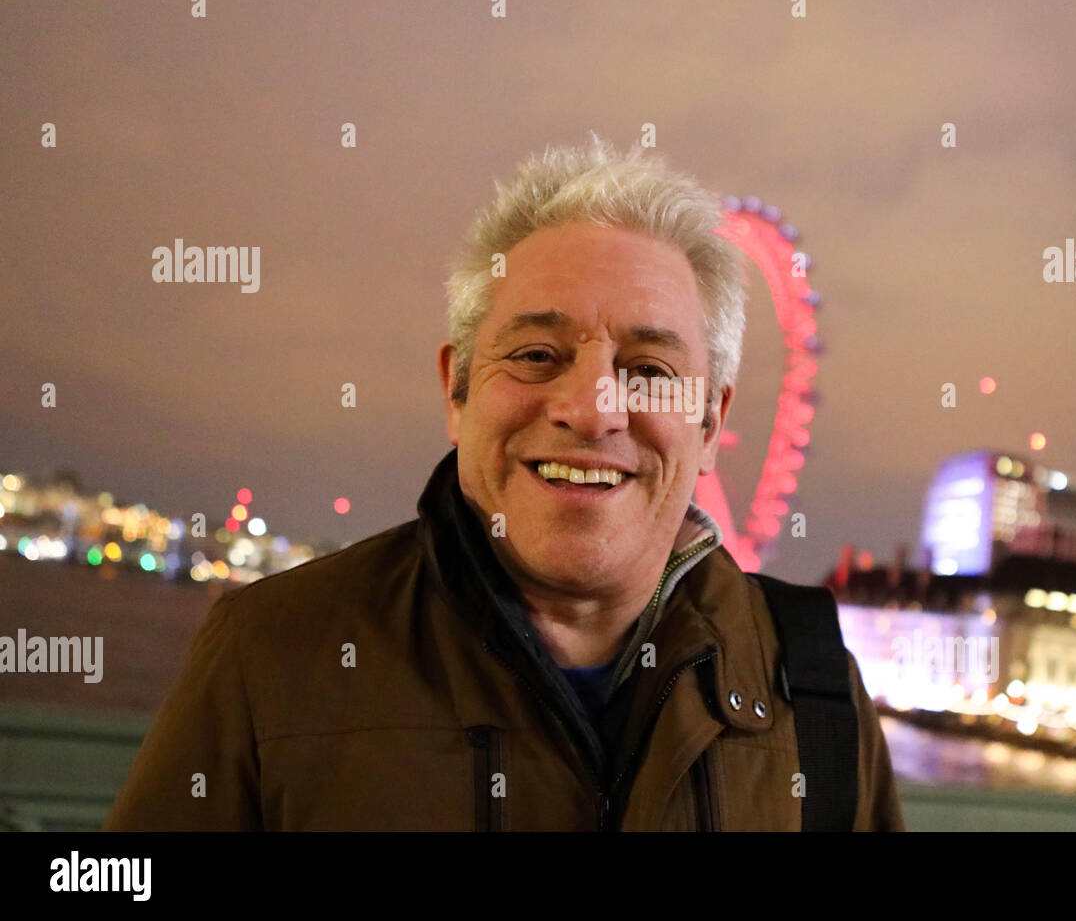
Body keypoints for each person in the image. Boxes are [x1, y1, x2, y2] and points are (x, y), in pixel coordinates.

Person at [103, 133, 904, 830]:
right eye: (535, 355)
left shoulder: (817, 682)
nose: (593, 411)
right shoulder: (268, 653)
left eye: (650, 369)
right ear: (457, 390)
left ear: (709, 425)